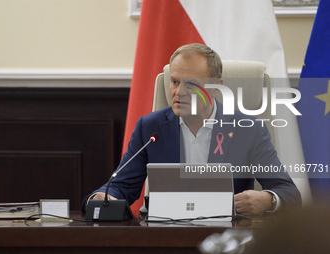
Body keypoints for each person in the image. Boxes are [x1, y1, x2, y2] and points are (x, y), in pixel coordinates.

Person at [82, 43, 301, 215]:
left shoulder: (247, 130)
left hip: (226, 238)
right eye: (175, 82)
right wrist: (103, 196)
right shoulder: (149, 128)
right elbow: (121, 186)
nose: (179, 92)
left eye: (191, 84)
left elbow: (288, 193)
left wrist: (269, 200)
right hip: (165, 237)